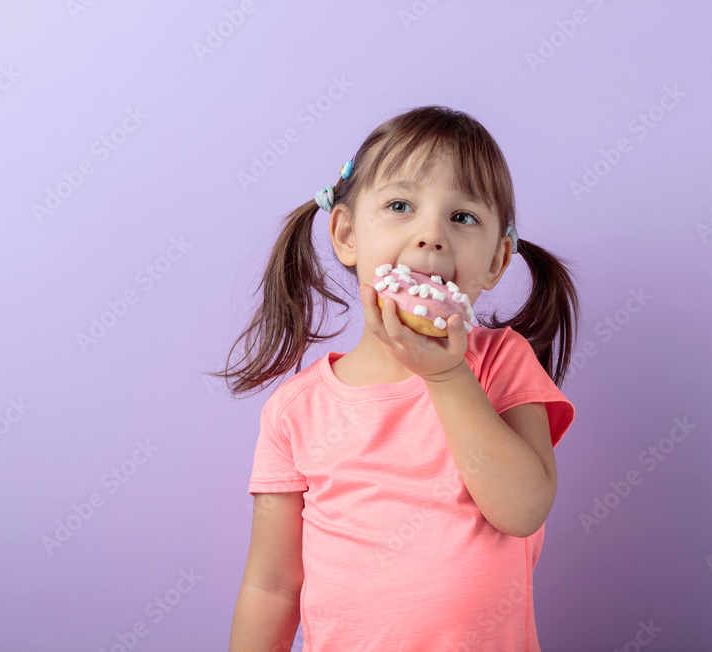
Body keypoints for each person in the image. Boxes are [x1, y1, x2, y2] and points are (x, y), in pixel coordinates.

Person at [220, 105, 581, 650]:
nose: (431, 234)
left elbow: (523, 510)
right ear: (346, 234)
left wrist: (448, 377)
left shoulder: (500, 363)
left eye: (463, 217)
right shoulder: (296, 410)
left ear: (496, 261)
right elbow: (271, 586)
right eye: (399, 206)